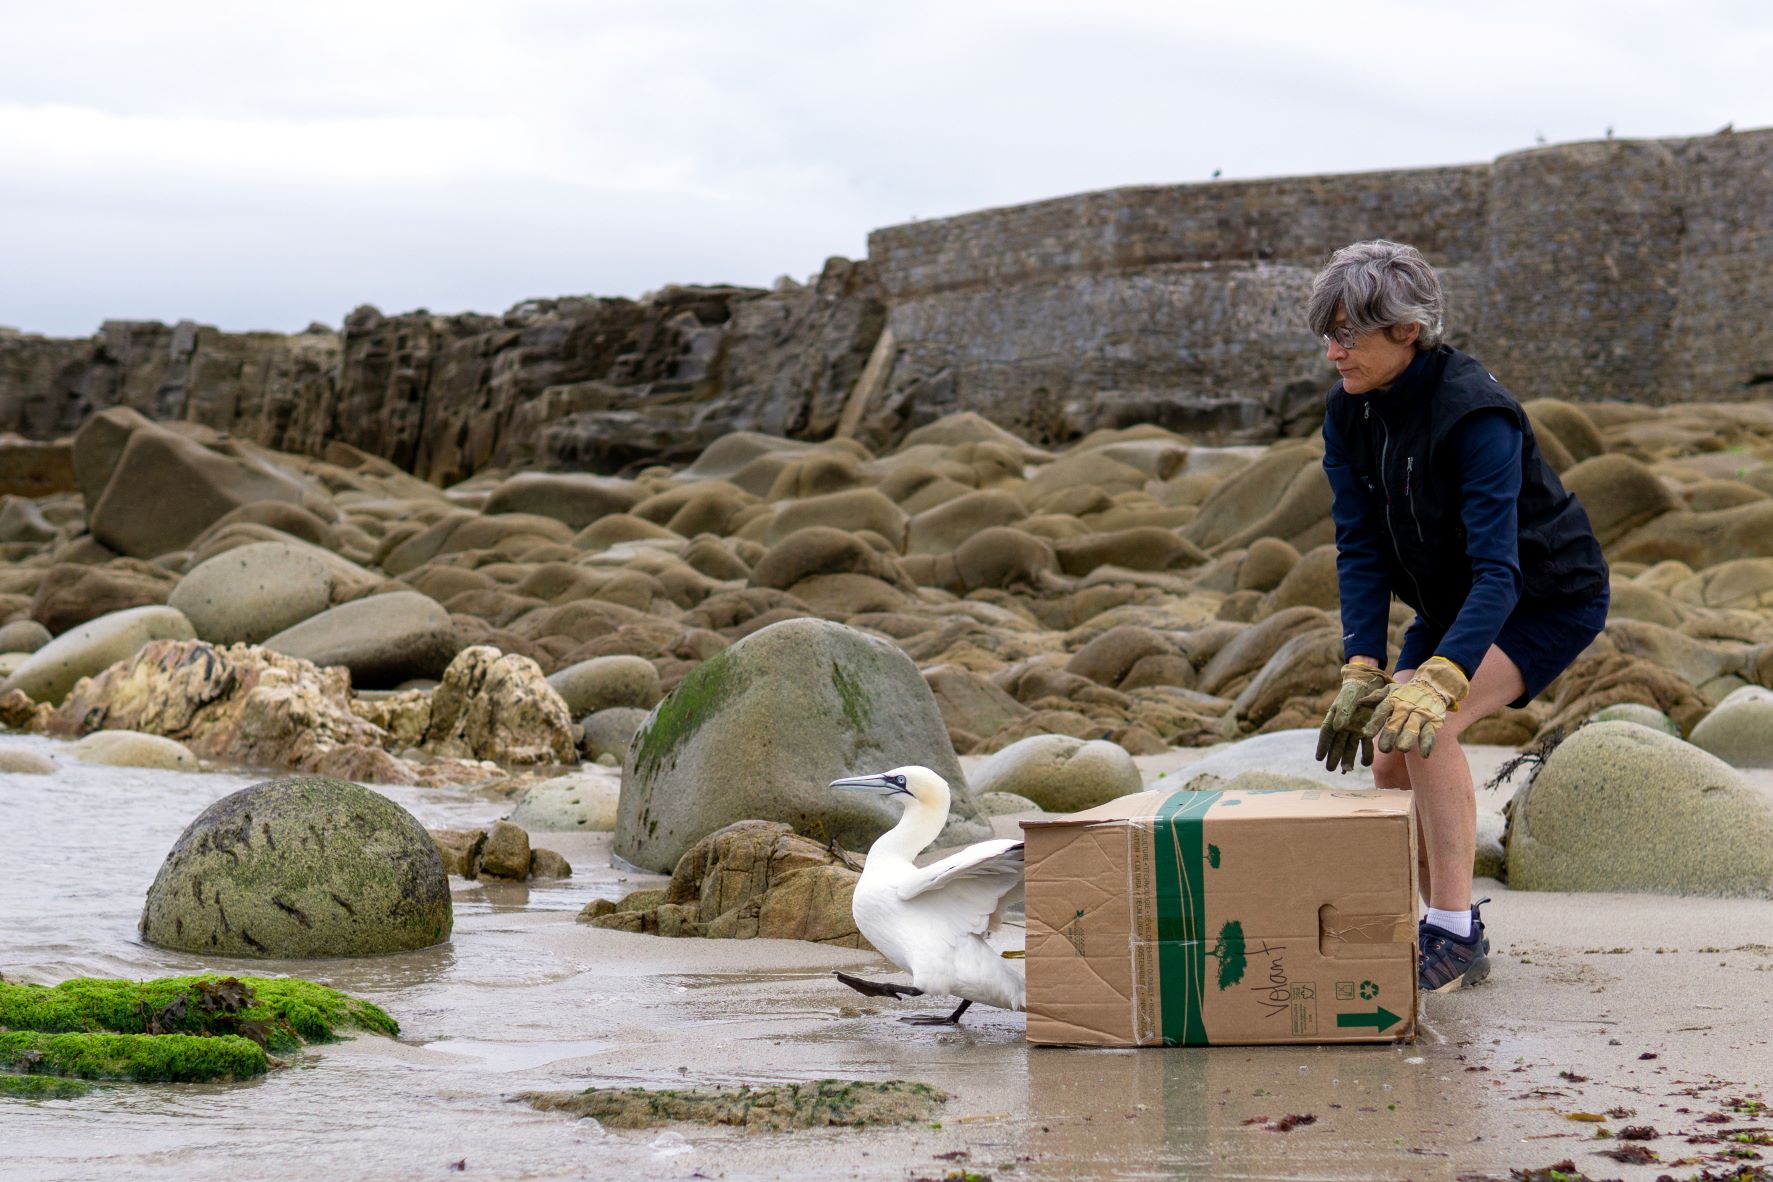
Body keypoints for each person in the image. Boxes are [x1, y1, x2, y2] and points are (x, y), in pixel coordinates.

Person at [1307, 240, 1610, 994]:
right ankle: (1431, 929)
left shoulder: (1476, 415)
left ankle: (1452, 929)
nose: (1330, 352)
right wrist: (1362, 665)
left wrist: (1440, 677)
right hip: (1452, 598)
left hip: (1545, 595)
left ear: (1405, 330)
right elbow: (1359, 549)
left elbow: (1499, 569)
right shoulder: (1349, 413)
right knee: (1386, 754)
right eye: (1326, 332)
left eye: (1347, 334)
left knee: (1428, 725)